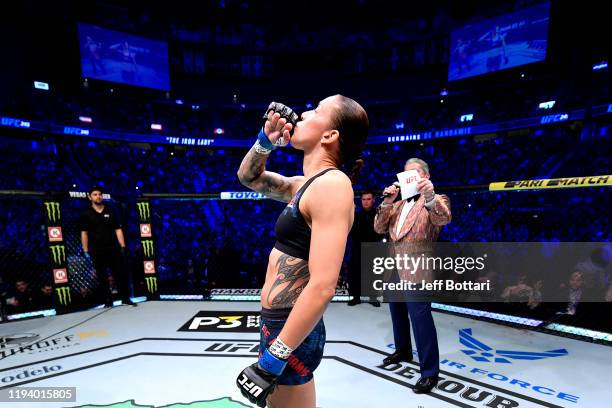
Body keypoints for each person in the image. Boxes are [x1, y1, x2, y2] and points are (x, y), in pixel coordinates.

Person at [236, 95, 368, 408]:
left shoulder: (332, 186)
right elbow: (248, 177)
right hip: (281, 321)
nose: (303, 113)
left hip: (290, 327)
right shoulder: (306, 184)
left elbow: (323, 285)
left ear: (330, 135)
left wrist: (275, 356)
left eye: (316, 111)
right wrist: (265, 141)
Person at [374, 158, 451, 394]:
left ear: (425, 177)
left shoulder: (437, 199)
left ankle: (429, 373)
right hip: (394, 266)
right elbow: (378, 227)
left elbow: (443, 218)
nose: (407, 177)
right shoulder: (396, 205)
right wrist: (387, 202)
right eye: (404, 174)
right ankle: (403, 350)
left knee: (421, 320)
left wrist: (429, 197)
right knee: (397, 312)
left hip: (417, 267)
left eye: (413, 173)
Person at [80, 185, 136, 307]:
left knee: (119, 273)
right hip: (96, 249)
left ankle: (125, 298)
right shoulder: (86, 213)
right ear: (90, 197)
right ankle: (107, 301)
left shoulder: (110, 211)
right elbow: (84, 232)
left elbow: (118, 229)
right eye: (95, 194)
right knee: (102, 276)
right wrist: (85, 250)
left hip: (113, 247)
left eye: (99, 194)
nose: (98, 196)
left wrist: (123, 245)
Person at [348, 189, 384, 306]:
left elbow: (381, 232)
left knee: (373, 272)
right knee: (355, 272)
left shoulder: (378, 215)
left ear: (373, 200)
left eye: (368, 199)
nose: (366, 202)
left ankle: (373, 297)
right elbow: (352, 232)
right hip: (358, 248)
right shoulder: (356, 216)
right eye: (363, 199)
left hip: (373, 247)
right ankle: (355, 297)